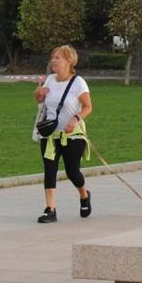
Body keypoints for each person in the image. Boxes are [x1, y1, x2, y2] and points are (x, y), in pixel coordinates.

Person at [34, 45, 93, 223]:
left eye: (57, 57)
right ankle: (50, 209)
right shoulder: (50, 80)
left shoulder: (78, 82)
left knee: (72, 172)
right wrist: (38, 92)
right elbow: (40, 100)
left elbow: (88, 107)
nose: (53, 60)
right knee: (49, 170)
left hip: (72, 136)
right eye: (53, 57)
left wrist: (75, 119)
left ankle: (84, 195)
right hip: (51, 136)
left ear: (69, 61)